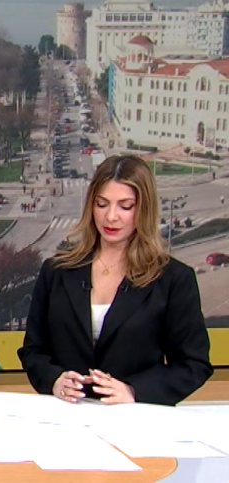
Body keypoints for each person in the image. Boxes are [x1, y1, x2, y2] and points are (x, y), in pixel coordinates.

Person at [18, 155, 212, 406]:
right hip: (66, 418)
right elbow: (33, 350)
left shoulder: (174, 280)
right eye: (102, 204)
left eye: (125, 206)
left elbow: (193, 364)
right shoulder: (56, 272)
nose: (111, 217)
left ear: (144, 209)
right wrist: (54, 380)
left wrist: (134, 391)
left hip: (135, 420)